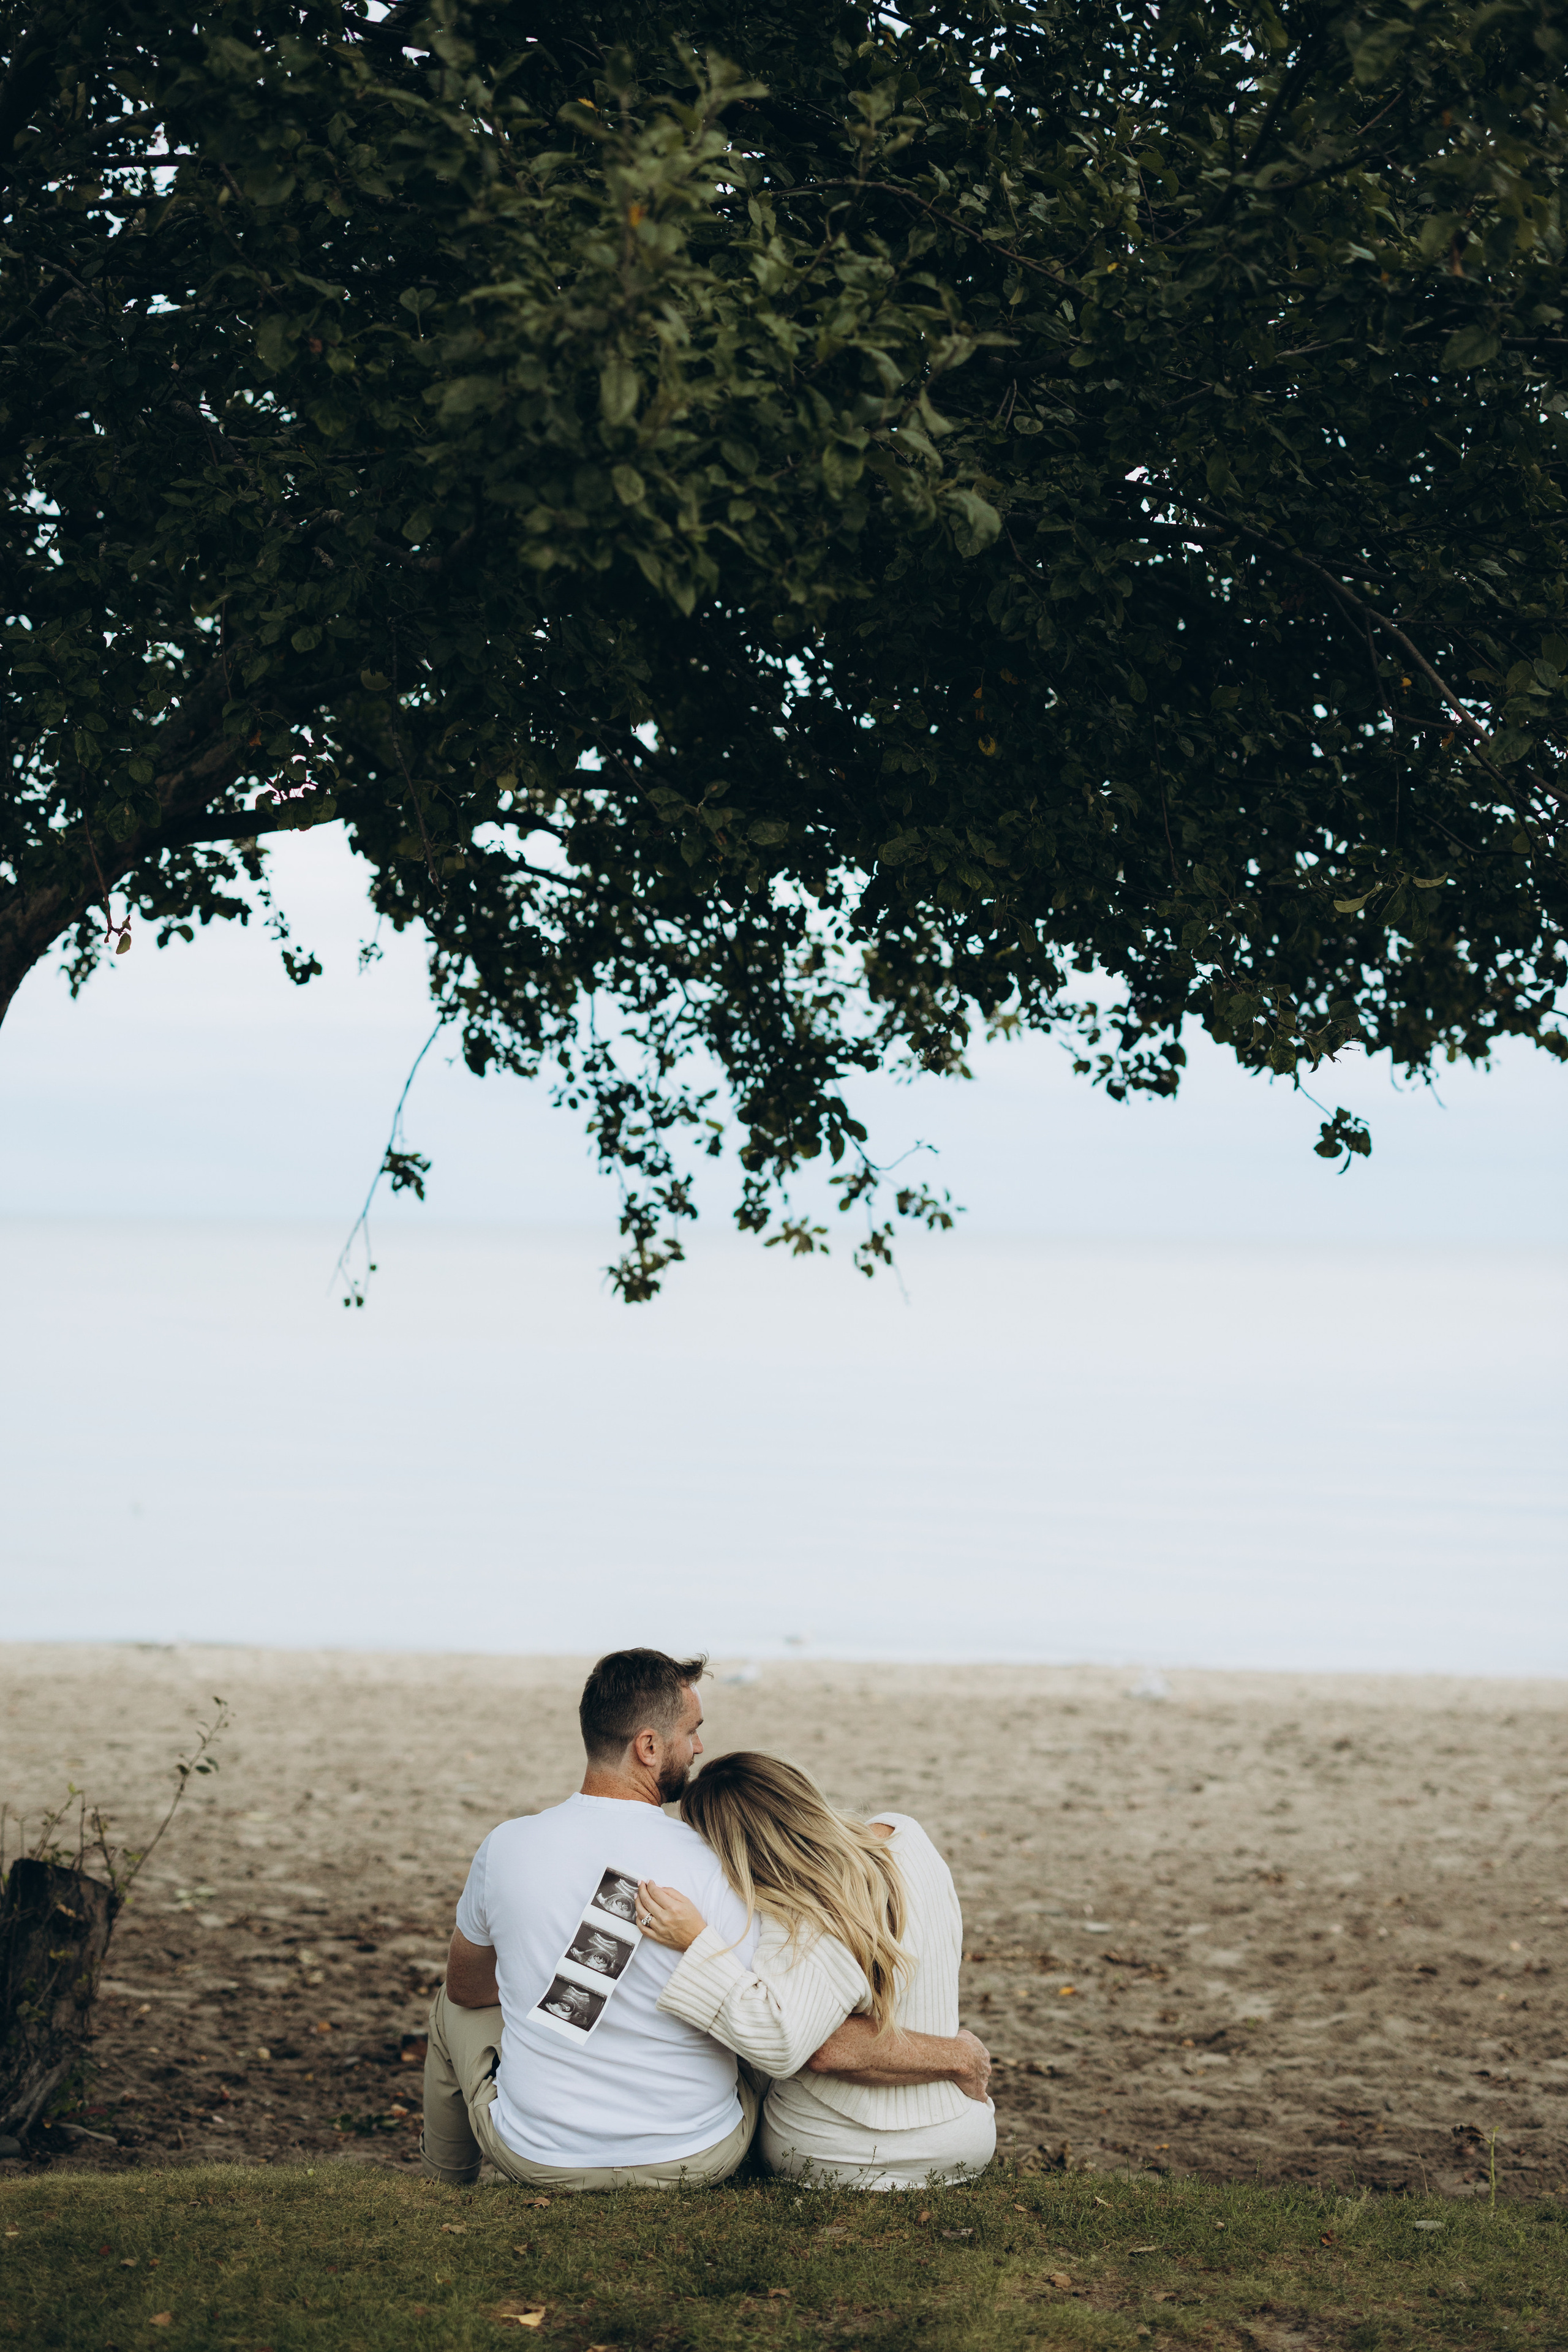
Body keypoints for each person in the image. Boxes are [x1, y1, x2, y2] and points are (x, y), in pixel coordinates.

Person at [423, 1649, 989, 2192]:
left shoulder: (507, 1846)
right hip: (695, 2155)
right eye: (690, 1731)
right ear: (648, 1746)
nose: (699, 1746)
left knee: (450, 2008)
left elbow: (471, 1989)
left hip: (540, 2155)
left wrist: (547, 1980)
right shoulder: (720, 1861)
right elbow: (771, 2022)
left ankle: (444, 2184)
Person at [636, 1749, 996, 2190]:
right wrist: (959, 2056)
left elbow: (797, 2041)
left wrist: (696, 1942)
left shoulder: (800, 1918)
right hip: (960, 2135)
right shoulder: (909, 1836)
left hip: (832, 2151)